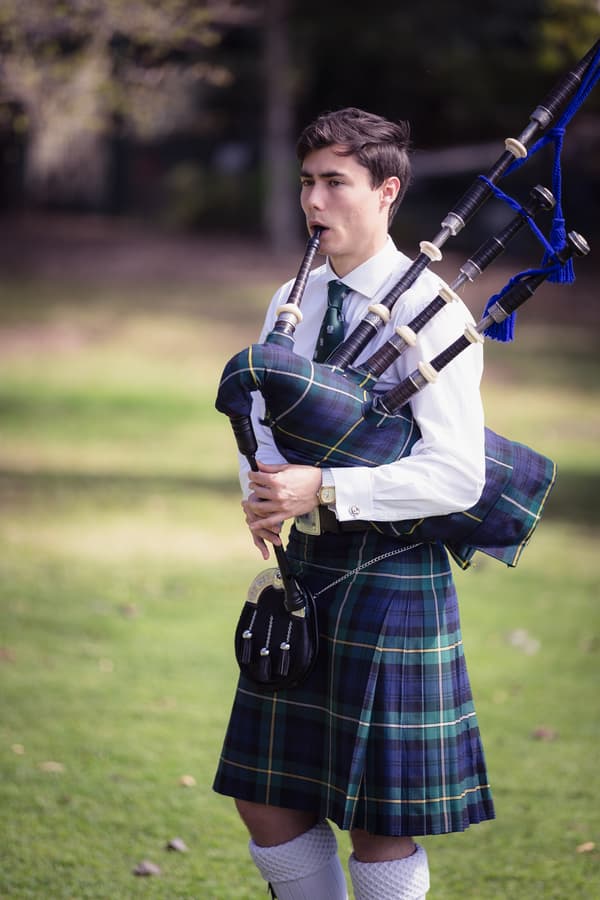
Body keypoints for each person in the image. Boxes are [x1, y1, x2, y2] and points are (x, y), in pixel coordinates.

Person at [213, 107, 494, 900]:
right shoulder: (290, 300)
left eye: (336, 182)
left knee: (378, 816)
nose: (315, 201)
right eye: (308, 182)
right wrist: (262, 491)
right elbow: (263, 421)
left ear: (387, 191)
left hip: (392, 576)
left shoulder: (432, 311)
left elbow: (458, 474)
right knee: (264, 797)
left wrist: (328, 486)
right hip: (306, 571)